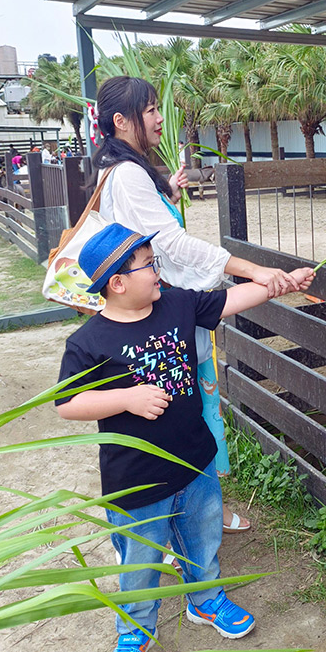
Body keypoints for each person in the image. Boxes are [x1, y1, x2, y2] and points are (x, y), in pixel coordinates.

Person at [55, 222, 314, 652]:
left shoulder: (175, 304)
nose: (157, 271)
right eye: (148, 266)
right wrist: (126, 398)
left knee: (202, 537)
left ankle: (206, 599)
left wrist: (277, 284)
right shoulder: (88, 342)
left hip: (194, 461)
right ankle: (135, 628)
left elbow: (229, 300)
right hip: (136, 477)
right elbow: (68, 403)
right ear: (117, 283)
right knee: (141, 559)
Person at [93, 75, 299, 533]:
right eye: (150, 111)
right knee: (188, 416)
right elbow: (170, 243)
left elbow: (151, 229)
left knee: (184, 413)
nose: (160, 117)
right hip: (166, 314)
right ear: (122, 121)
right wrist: (252, 269)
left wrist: (168, 193)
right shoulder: (126, 174)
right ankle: (198, 514)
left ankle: (199, 511)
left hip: (158, 310)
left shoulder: (121, 169)